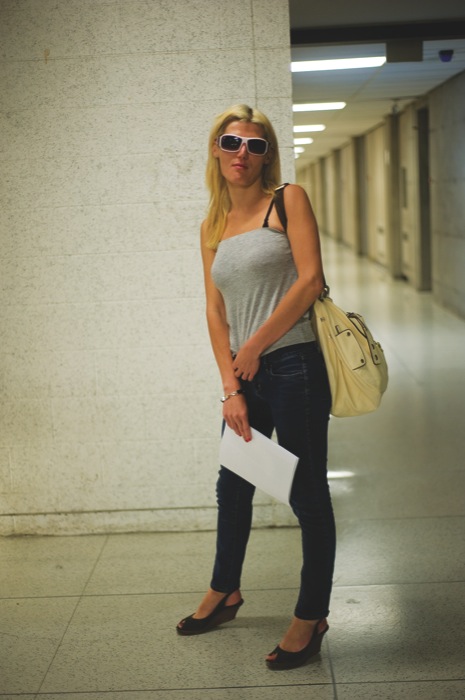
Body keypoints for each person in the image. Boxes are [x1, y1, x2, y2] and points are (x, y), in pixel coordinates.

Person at [176, 104, 336, 671]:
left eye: (255, 144)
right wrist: (231, 384)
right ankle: (225, 590)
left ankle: (311, 615)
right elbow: (214, 309)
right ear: (216, 151)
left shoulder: (287, 200)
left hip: (294, 366)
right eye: (232, 142)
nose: (242, 153)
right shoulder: (211, 226)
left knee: (307, 494)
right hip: (243, 376)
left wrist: (255, 348)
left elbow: (311, 281)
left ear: (267, 155)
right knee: (233, 485)